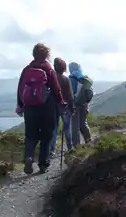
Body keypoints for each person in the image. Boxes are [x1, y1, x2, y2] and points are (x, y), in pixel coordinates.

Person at [16, 43, 65, 174]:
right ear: (46, 54)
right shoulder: (48, 68)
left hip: (30, 108)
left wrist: (20, 105)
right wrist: (61, 102)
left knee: (30, 135)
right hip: (46, 107)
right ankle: (43, 164)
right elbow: (56, 88)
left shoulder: (27, 69)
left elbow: (21, 88)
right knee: (46, 135)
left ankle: (29, 157)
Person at [49, 57, 75, 158]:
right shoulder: (65, 79)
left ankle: (51, 150)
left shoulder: (51, 78)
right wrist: (72, 108)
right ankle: (70, 147)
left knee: (54, 129)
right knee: (67, 128)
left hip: (53, 107)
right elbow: (70, 96)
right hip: (65, 108)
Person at [68, 62, 93, 145]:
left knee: (75, 127)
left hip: (75, 105)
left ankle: (76, 146)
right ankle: (89, 141)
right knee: (83, 124)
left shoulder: (71, 79)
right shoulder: (84, 78)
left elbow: (69, 93)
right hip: (85, 104)